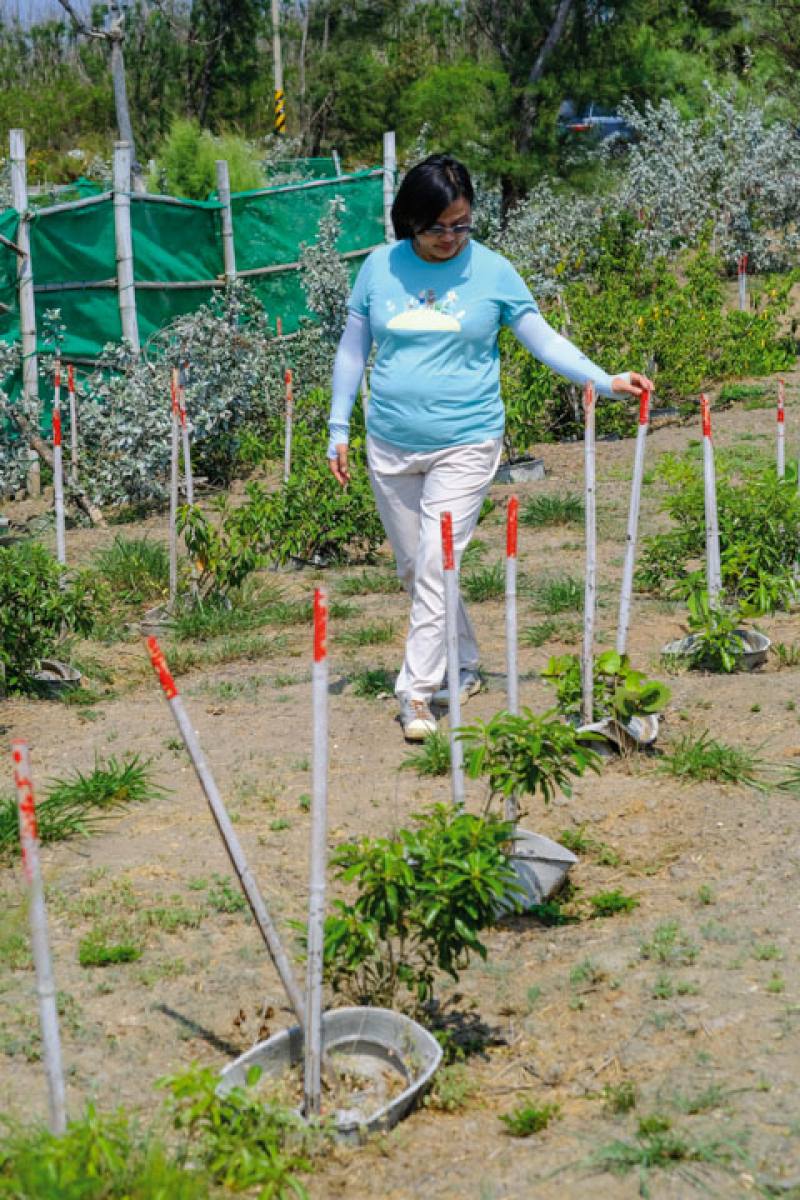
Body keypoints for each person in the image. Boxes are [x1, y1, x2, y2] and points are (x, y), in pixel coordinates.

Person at [327, 154, 653, 742]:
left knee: (436, 561)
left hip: (467, 442)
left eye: (462, 225)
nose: (450, 238)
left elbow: (542, 338)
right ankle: (466, 662)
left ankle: (417, 694)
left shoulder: (495, 273)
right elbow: (352, 351)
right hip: (391, 445)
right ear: (409, 222)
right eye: (437, 228)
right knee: (416, 568)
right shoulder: (378, 269)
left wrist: (604, 380)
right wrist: (337, 428)